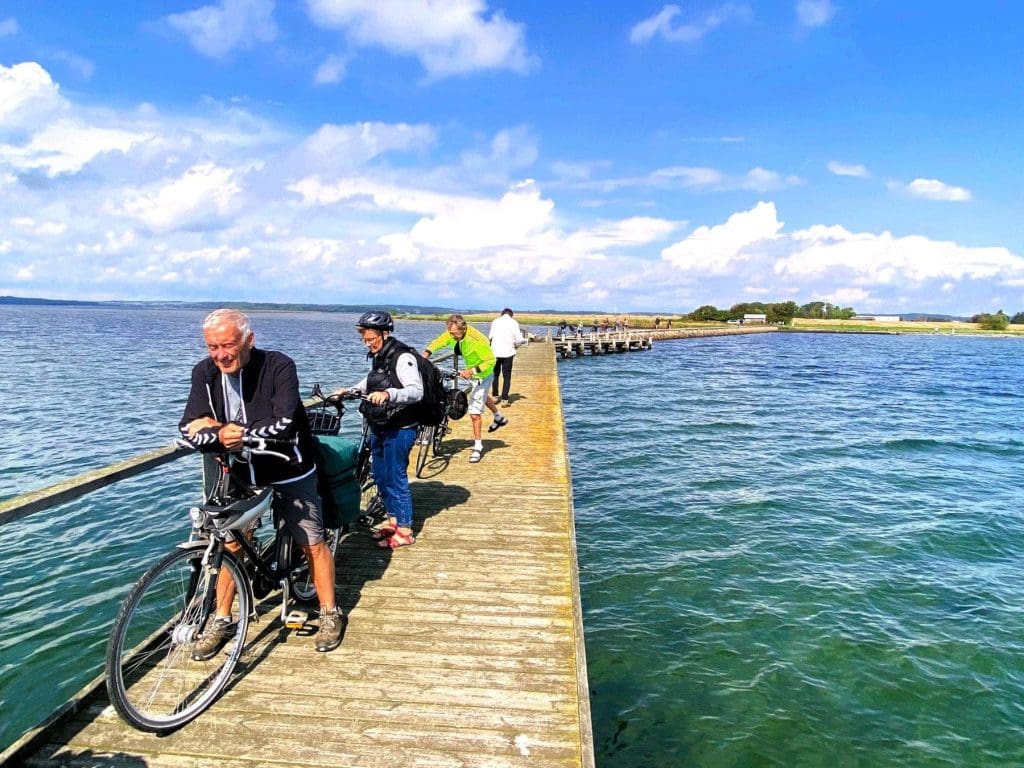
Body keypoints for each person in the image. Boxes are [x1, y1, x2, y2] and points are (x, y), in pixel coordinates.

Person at [179, 309, 342, 654]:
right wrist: (220, 433)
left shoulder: (279, 366)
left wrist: (224, 431)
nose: (221, 355)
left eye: (228, 345)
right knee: (230, 543)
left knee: (311, 541)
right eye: (212, 347)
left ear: (249, 341)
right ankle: (222, 618)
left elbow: (283, 424)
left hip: (289, 467)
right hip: (238, 471)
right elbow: (188, 427)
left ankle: (330, 612)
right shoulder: (204, 373)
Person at [333, 311, 423, 549]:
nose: (367, 342)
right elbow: (372, 380)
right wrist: (349, 390)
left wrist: (388, 394)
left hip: (401, 427)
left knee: (396, 475)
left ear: (385, 334)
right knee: (381, 476)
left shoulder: (403, 357)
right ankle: (393, 522)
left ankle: (405, 530)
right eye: (364, 338)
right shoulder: (379, 356)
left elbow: (416, 390)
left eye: (371, 338)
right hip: (380, 424)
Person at [424, 314, 507, 464]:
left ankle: (478, 446)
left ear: (464, 328)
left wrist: (472, 371)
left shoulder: (477, 340)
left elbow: (491, 361)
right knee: (481, 397)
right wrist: (426, 353)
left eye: (456, 334)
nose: (453, 336)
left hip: (484, 373)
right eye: (451, 334)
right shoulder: (452, 333)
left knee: (474, 412)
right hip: (473, 373)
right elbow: (440, 341)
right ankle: (498, 416)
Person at [488, 308, 524, 407]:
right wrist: (522, 341)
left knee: (495, 374)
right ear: (511, 315)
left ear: (502, 314)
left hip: (495, 352)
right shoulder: (514, 323)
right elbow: (519, 339)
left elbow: (490, 336)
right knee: (506, 376)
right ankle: (504, 399)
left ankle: (495, 396)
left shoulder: (495, 322)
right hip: (508, 353)